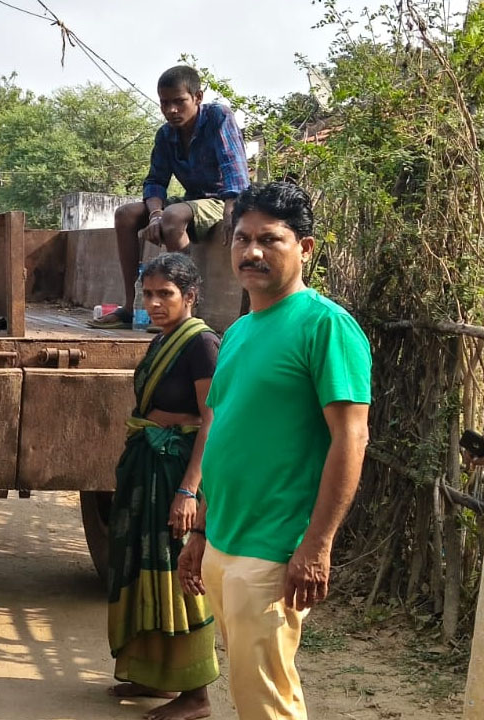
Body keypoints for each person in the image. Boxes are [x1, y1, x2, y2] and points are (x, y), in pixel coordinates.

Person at [178, 182, 371, 720]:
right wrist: (201, 531)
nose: (252, 252)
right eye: (242, 239)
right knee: (255, 691)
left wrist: (316, 546)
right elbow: (224, 431)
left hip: (273, 547)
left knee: (264, 701)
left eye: (270, 239)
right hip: (225, 541)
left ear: (305, 248)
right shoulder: (239, 331)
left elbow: (351, 438)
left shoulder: (326, 327)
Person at [104, 252, 219, 720]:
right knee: (139, 562)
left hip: (175, 472)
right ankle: (149, 671)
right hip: (148, 464)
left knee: (176, 574)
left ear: (189, 296)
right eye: (148, 294)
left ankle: (195, 695)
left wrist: (189, 490)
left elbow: (212, 420)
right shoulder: (162, 338)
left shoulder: (201, 344)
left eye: (165, 294)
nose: (154, 303)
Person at [92, 65, 249, 330]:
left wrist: (233, 206)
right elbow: (155, 182)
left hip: (222, 199)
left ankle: (182, 312)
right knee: (126, 214)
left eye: (179, 102)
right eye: (165, 103)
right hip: (193, 200)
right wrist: (154, 214)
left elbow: (235, 170)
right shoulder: (165, 135)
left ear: (197, 97)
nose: (172, 110)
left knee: (174, 217)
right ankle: (131, 307)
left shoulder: (218, 117)